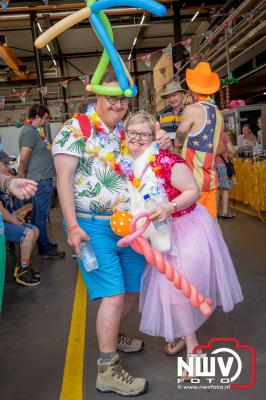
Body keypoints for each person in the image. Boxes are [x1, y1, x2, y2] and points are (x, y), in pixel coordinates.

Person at [52, 71, 170, 397]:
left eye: (123, 99)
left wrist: (159, 140)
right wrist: (73, 226)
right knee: (114, 293)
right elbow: (63, 180)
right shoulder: (75, 128)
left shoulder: (123, 132)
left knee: (133, 288)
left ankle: (113, 333)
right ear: (97, 96)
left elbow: (145, 162)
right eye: (112, 97)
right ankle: (108, 369)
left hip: (127, 224)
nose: (118, 105)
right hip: (90, 225)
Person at [121, 111, 243, 376]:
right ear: (125, 134)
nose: (138, 139)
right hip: (157, 234)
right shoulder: (128, 163)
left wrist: (169, 206)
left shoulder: (166, 160)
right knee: (173, 292)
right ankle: (183, 335)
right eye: (133, 133)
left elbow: (193, 191)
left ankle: (192, 347)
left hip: (185, 229)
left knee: (177, 293)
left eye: (144, 134)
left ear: (153, 137)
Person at [174, 62, 222, 223]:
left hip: (193, 181)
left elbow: (178, 140)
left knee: (194, 224)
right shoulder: (218, 112)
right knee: (212, 223)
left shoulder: (193, 109)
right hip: (210, 178)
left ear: (192, 88)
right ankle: (219, 249)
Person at [18, 104, 65, 259]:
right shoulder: (28, 132)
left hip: (42, 178)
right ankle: (45, 248)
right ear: (37, 117)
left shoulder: (34, 131)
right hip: (39, 180)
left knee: (40, 214)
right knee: (41, 215)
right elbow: (24, 157)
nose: (45, 122)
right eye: (45, 118)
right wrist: (23, 177)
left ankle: (43, 243)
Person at [0, 152, 40, 286]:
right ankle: (23, 271)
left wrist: (15, 215)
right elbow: (1, 210)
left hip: (6, 220)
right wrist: (13, 220)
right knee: (27, 234)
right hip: (2, 225)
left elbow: (7, 209)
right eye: (4, 164)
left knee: (35, 230)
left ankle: (24, 264)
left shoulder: (5, 182)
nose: (8, 167)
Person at [215, 132, 236, 219]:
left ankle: (215, 213)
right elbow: (231, 149)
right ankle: (224, 212)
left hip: (212, 164)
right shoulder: (223, 134)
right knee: (225, 188)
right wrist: (233, 152)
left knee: (216, 189)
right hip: (223, 164)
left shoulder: (210, 133)